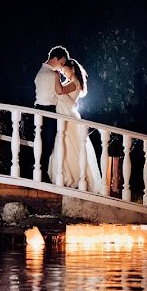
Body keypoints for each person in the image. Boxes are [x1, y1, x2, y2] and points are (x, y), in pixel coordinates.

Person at [47, 58, 103, 191]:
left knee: (69, 146)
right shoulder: (71, 82)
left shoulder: (74, 83)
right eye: (62, 71)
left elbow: (59, 91)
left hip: (68, 117)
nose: (64, 73)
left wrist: (55, 77)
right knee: (66, 146)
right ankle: (68, 175)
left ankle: (73, 176)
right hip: (65, 115)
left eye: (65, 70)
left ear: (72, 69)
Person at [33, 46, 68, 183]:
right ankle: (41, 174)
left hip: (37, 110)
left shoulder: (40, 72)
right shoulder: (52, 74)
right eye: (62, 63)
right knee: (47, 143)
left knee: (40, 142)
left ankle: (38, 171)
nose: (62, 66)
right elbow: (59, 92)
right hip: (47, 111)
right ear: (55, 58)